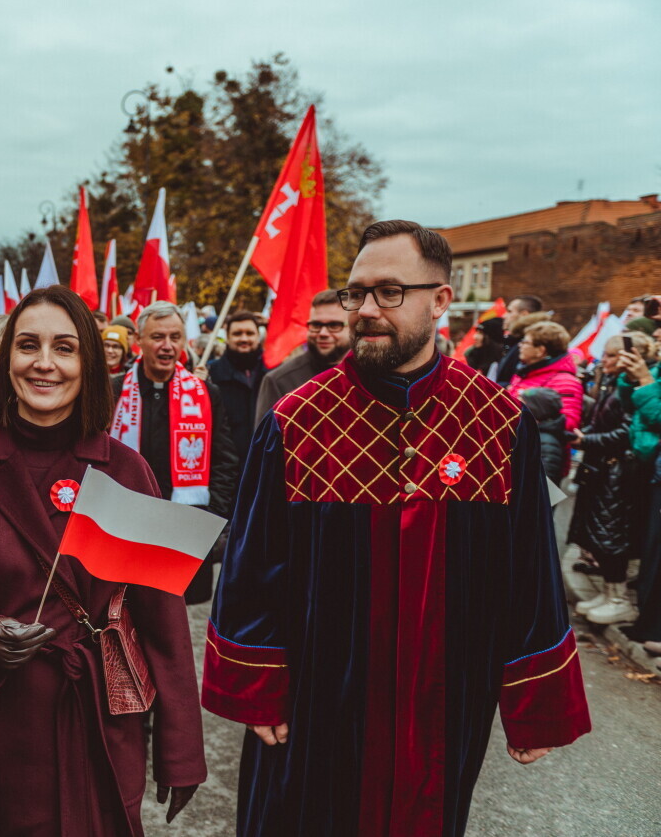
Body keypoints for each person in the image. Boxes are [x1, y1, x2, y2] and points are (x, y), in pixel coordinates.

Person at [203, 220, 590, 837]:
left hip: (446, 699)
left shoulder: (498, 422)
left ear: (440, 300)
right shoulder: (296, 421)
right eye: (357, 292)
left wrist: (535, 702)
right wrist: (257, 683)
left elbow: (529, 566)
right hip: (316, 698)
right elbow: (254, 562)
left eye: (389, 292)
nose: (365, 310)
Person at [0, 286, 206, 836]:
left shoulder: (126, 471)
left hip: (98, 723)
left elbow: (163, 618)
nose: (44, 363)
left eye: (64, 348)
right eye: (28, 345)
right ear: (6, 360)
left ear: (89, 363)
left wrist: (181, 746)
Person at [111, 301, 239, 604]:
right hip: (126, 527)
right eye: (158, 337)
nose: (167, 346)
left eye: (175, 337)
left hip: (185, 528)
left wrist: (209, 516)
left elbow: (225, 461)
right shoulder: (113, 391)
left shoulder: (204, 393)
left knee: (175, 616)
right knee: (126, 609)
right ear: (139, 340)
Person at [570, 333, 650, 625]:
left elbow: (626, 432)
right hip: (602, 470)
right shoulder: (610, 383)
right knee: (600, 537)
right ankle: (607, 593)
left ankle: (619, 600)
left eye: (611, 355)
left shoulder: (630, 387)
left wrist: (587, 440)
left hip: (617, 473)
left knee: (612, 538)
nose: (604, 360)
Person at [617, 338, 661, 656]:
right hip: (651, 467)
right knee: (650, 555)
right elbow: (631, 405)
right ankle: (647, 623)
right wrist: (630, 378)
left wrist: (645, 380)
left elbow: (656, 414)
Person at [254, 290, 352, 422]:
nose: (323, 333)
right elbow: (267, 434)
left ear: (352, 327)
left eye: (334, 325)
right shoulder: (278, 381)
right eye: (316, 325)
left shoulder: (369, 376)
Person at [207, 309, 267, 460]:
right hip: (227, 465)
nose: (244, 338)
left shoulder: (272, 376)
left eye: (249, 333)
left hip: (264, 462)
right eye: (237, 334)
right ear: (227, 338)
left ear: (258, 337)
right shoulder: (211, 375)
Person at [508, 320, 583, 436]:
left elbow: (568, 423)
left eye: (525, 342)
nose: (520, 345)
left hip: (538, 445)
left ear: (540, 350)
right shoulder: (524, 373)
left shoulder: (565, 382)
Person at [494, 294, 544, 384]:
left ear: (524, 314)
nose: (504, 316)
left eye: (509, 311)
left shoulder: (531, 344)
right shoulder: (515, 341)